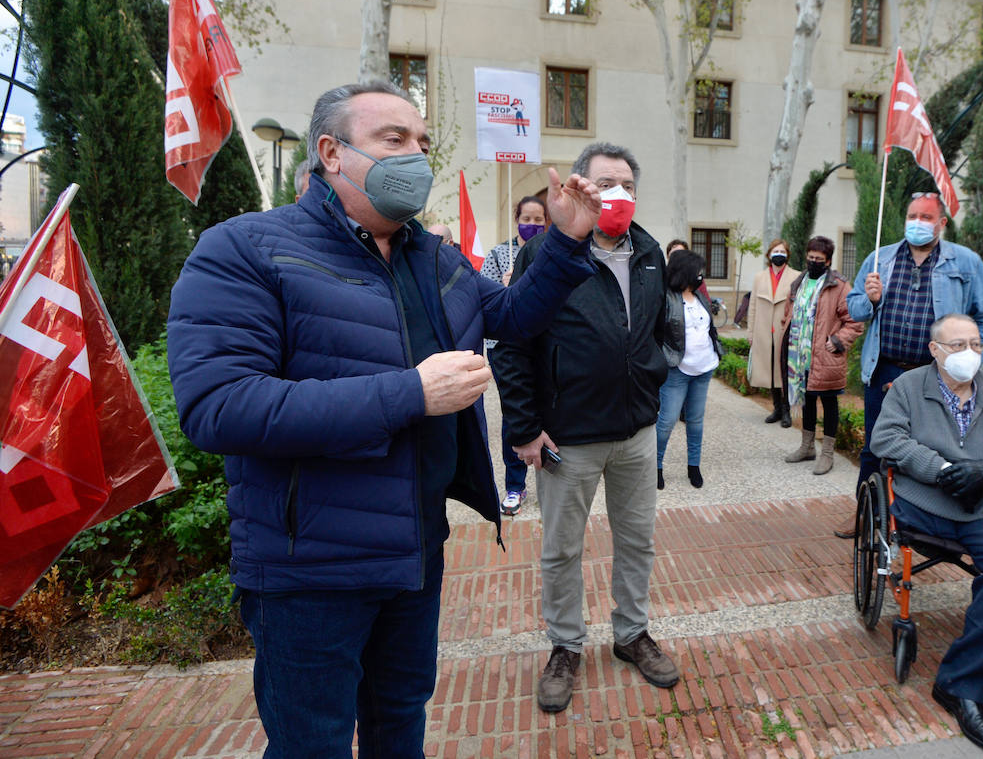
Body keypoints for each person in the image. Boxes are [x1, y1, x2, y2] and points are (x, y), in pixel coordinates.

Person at [166, 81, 602, 757]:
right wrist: (409, 393)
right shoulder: (246, 249)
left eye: (423, 142)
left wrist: (569, 244)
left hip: (413, 558)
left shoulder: (433, 256)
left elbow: (512, 316)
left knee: (401, 724)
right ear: (331, 153)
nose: (417, 157)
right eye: (394, 140)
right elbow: (219, 405)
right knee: (312, 742)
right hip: (309, 570)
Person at [490, 142, 679, 714]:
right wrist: (523, 428)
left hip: (635, 435)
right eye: (603, 182)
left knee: (637, 542)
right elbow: (512, 343)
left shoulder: (648, 251)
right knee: (561, 549)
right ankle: (566, 646)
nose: (613, 193)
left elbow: (657, 330)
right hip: (567, 439)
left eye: (624, 182)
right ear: (577, 187)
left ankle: (631, 634)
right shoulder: (545, 255)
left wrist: (651, 380)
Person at [873, 313, 983, 755]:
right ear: (935, 350)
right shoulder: (910, 388)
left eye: (974, 344)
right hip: (926, 504)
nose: (967, 353)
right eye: (956, 345)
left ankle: (961, 687)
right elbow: (887, 439)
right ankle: (966, 684)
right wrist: (943, 470)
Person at [841, 193, 983, 538]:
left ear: (942, 223)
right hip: (884, 369)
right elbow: (853, 310)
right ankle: (865, 514)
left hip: (934, 375)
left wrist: (971, 361)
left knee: (929, 447)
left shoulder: (965, 262)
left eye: (926, 217)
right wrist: (869, 300)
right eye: (912, 215)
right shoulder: (879, 260)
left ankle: (917, 519)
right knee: (874, 445)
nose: (917, 222)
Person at [479, 195, 549, 516]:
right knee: (515, 414)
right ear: (516, 218)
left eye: (539, 220)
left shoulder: (549, 253)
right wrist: (508, 290)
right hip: (505, 347)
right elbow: (485, 303)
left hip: (541, 345)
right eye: (527, 219)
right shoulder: (498, 255)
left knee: (545, 410)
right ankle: (515, 486)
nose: (532, 225)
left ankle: (550, 478)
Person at [781, 236, 863, 475]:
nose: (813, 262)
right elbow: (788, 313)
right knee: (806, 401)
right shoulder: (799, 282)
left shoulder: (838, 285)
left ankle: (827, 453)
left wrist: (838, 341)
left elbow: (854, 321)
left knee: (828, 403)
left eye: (819, 259)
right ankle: (807, 447)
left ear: (828, 261)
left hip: (826, 356)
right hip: (800, 357)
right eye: (810, 257)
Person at [655, 249, 722, 490]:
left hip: (704, 368)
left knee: (695, 421)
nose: (701, 276)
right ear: (685, 272)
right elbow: (656, 334)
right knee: (666, 422)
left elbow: (709, 329)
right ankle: (656, 466)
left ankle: (693, 466)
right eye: (697, 272)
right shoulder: (665, 297)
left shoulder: (700, 296)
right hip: (677, 371)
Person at [748, 239, 801, 426]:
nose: (779, 254)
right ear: (769, 254)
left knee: (783, 371)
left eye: (782, 251)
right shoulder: (759, 277)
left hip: (784, 331)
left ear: (787, 255)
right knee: (769, 371)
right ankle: (776, 407)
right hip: (763, 331)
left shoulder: (796, 276)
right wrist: (750, 332)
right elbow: (752, 305)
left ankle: (786, 409)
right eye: (775, 251)